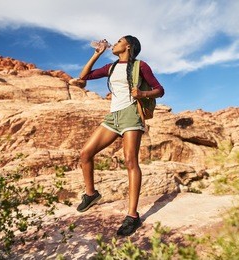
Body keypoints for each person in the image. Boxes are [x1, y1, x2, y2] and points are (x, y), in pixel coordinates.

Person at [75, 35, 165, 236]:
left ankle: (132, 216)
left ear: (128, 46)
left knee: (130, 161)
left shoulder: (141, 66)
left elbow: (160, 90)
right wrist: (97, 54)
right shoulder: (111, 67)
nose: (114, 44)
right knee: (85, 154)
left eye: (118, 41)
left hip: (131, 114)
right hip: (113, 117)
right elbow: (84, 77)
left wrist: (143, 94)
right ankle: (91, 194)